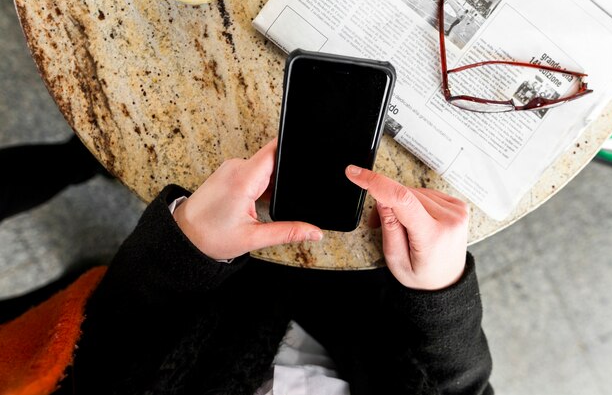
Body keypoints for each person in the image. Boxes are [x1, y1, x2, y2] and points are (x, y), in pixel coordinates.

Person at [2, 138, 493, 394]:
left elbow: (101, 359)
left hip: (190, 292)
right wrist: (440, 296)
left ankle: (81, 164)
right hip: (364, 298)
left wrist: (186, 247)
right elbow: (460, 388)